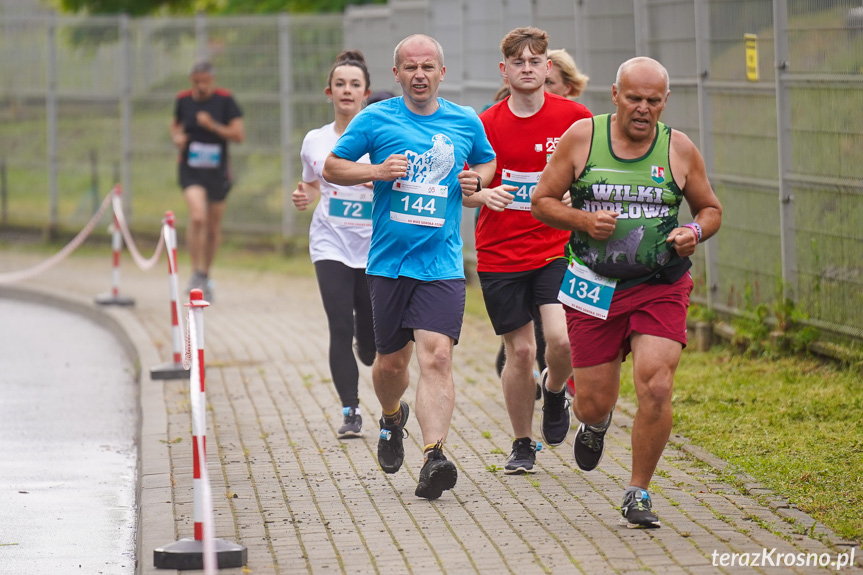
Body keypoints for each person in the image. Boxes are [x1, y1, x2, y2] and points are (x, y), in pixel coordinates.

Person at [531, 56, 722, 527]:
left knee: (656, 385)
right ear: (615, 95)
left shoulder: (679, 149)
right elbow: (542, 201)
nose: (642, 109)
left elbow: (710, 208)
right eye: (633, 98)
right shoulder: (583, 138)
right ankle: (593, 422)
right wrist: (582, 220)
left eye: (653, 101)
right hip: (594, 286)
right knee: (594, 399)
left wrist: (693, 232)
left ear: (665, 101)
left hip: (660, 285)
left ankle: (638, 490)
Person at [323, 34, 496, 500]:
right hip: (388, 263)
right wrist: (376, 172)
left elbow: (487, 159)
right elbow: (333, 167)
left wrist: (478, 179)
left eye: (428, 66)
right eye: (410, 67)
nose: (420, 74)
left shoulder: (464, 121)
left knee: (437, 355)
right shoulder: (376, 118)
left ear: (442, 72)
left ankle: (434, 454)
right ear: (396, 74)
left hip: (441, 261)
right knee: (390, 364)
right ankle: (391, 417)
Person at [466, 27, 592, 475]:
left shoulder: (575, 118)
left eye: (534, 61)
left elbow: (593, 173)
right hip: (499, 252)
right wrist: (482, 196)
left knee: (559, 339)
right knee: (519, 352)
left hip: (555, 246)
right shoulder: (485, 124)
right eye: (517, 62)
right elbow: (465, 190)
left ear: (547, 68)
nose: (526, 68)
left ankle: (555, 390)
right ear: (505, 70)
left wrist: (580, 198)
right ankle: (522, 443)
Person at [292, 50, 376, 439]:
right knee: (340, 327)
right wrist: (306, 195)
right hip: (331, 245)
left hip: (375, 248)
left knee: (372, 343)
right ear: (330, 92)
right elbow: (311, 182)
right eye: (340, 84)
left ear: (366, 93)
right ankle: (351, 410)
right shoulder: (315, 140)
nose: (347, 90)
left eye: (354, 84)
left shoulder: (381, 139)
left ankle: (369, 338)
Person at [170, 58, 244, 301]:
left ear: (212, 80)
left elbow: (238, 134)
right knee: (197, 216)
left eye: (205, 81)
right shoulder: (182, 100)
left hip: (218, 171)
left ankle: (205, 273)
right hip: (190, 168)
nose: (201, 86)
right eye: (196, 82)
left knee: (212, 226)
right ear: (191, 81)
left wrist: (212, 126)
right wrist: (177, 138)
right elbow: (175, 126)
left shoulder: (225, 100)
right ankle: (194, 271)